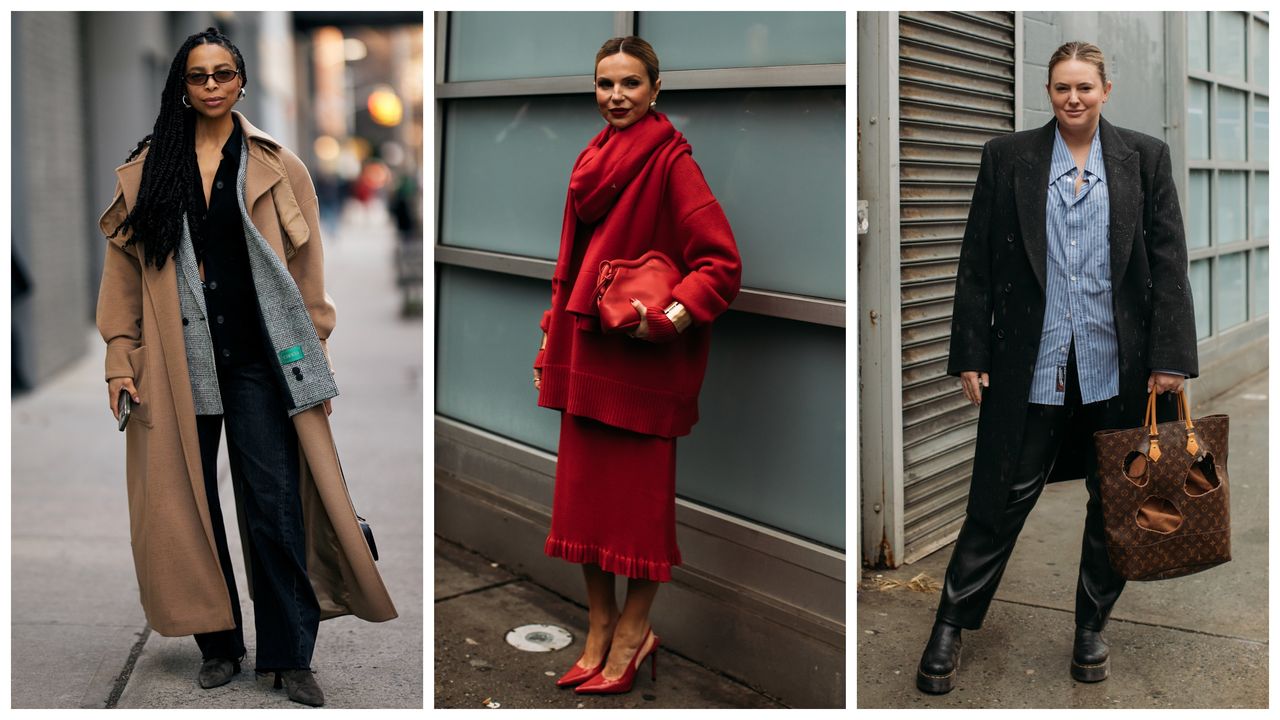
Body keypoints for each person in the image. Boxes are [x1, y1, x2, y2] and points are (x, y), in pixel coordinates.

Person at [95, 27, 396, 707]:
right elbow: (121, 273)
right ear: (181, 83)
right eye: (198, 75)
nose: (210, 86)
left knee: (275, 505)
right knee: (186, 507)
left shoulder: (275, 163)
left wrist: (312, 362)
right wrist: (120, 355)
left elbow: (306, 273)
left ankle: (290, 655)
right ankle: (220, 643)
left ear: (241, 81)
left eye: (223, 73)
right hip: (177, 360)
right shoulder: (148, 168)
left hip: (262, 359)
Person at [915, 41, 1198, 694]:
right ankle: (950, 625)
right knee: (999, 498)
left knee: (1116, 500)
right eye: (1062, 88)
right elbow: (976, 263)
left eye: (1085, 88)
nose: (1073, 99)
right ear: (1049, 91)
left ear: (1105, 91)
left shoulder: (1144, 159)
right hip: (1030, 363)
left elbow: (1167, 261)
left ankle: (1091, 627)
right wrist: (971, 354)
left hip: (1118, 363)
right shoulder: (1008, 157)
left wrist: (1171, 359)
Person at [532, 36, 741, 695]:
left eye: (628, 84)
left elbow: (722, 265)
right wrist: (548, 345)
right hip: (584, 355)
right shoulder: (590, 161)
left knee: (640, 518)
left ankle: (634, 631)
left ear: (656, 89)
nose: (615, 96)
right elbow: (568, 270)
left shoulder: (673, 162)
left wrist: (668, 320)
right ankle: (597, 629)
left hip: (640, 371)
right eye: (603, 84)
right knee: (582, 514)